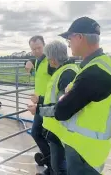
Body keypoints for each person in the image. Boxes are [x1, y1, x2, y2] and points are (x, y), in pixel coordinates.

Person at [37, 17, 111, 175]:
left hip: (85, 153)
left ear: (79, 37)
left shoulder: (94, 73)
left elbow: (62, 111)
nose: (69, 43)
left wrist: (58, 101)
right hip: (88, 149)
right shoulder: (99, 65)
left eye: (69, 38)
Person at [28, 41, 79, 175]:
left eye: (48, 57)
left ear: (54, 58)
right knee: (57, 163)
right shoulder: (62, 70)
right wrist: (40, 100)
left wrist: (39, 108)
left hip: (59, 126)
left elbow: (61, 106)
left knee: (59, 166)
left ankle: (51, 170)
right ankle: (50, 170)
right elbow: (57, 99)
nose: (48, 60)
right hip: (53, 121)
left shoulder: (67, 74)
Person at [25, 35, 56, 174]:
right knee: (44, 134)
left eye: (39, 48)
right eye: (33, 49)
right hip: (40, 104)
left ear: (44, 45)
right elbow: (39, 75)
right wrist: (28, 62)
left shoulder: (50, 62)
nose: (36, 51)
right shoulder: (38, 61)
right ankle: (50, 161)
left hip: (48, 105)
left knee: (38, 133)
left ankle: (52, 166)